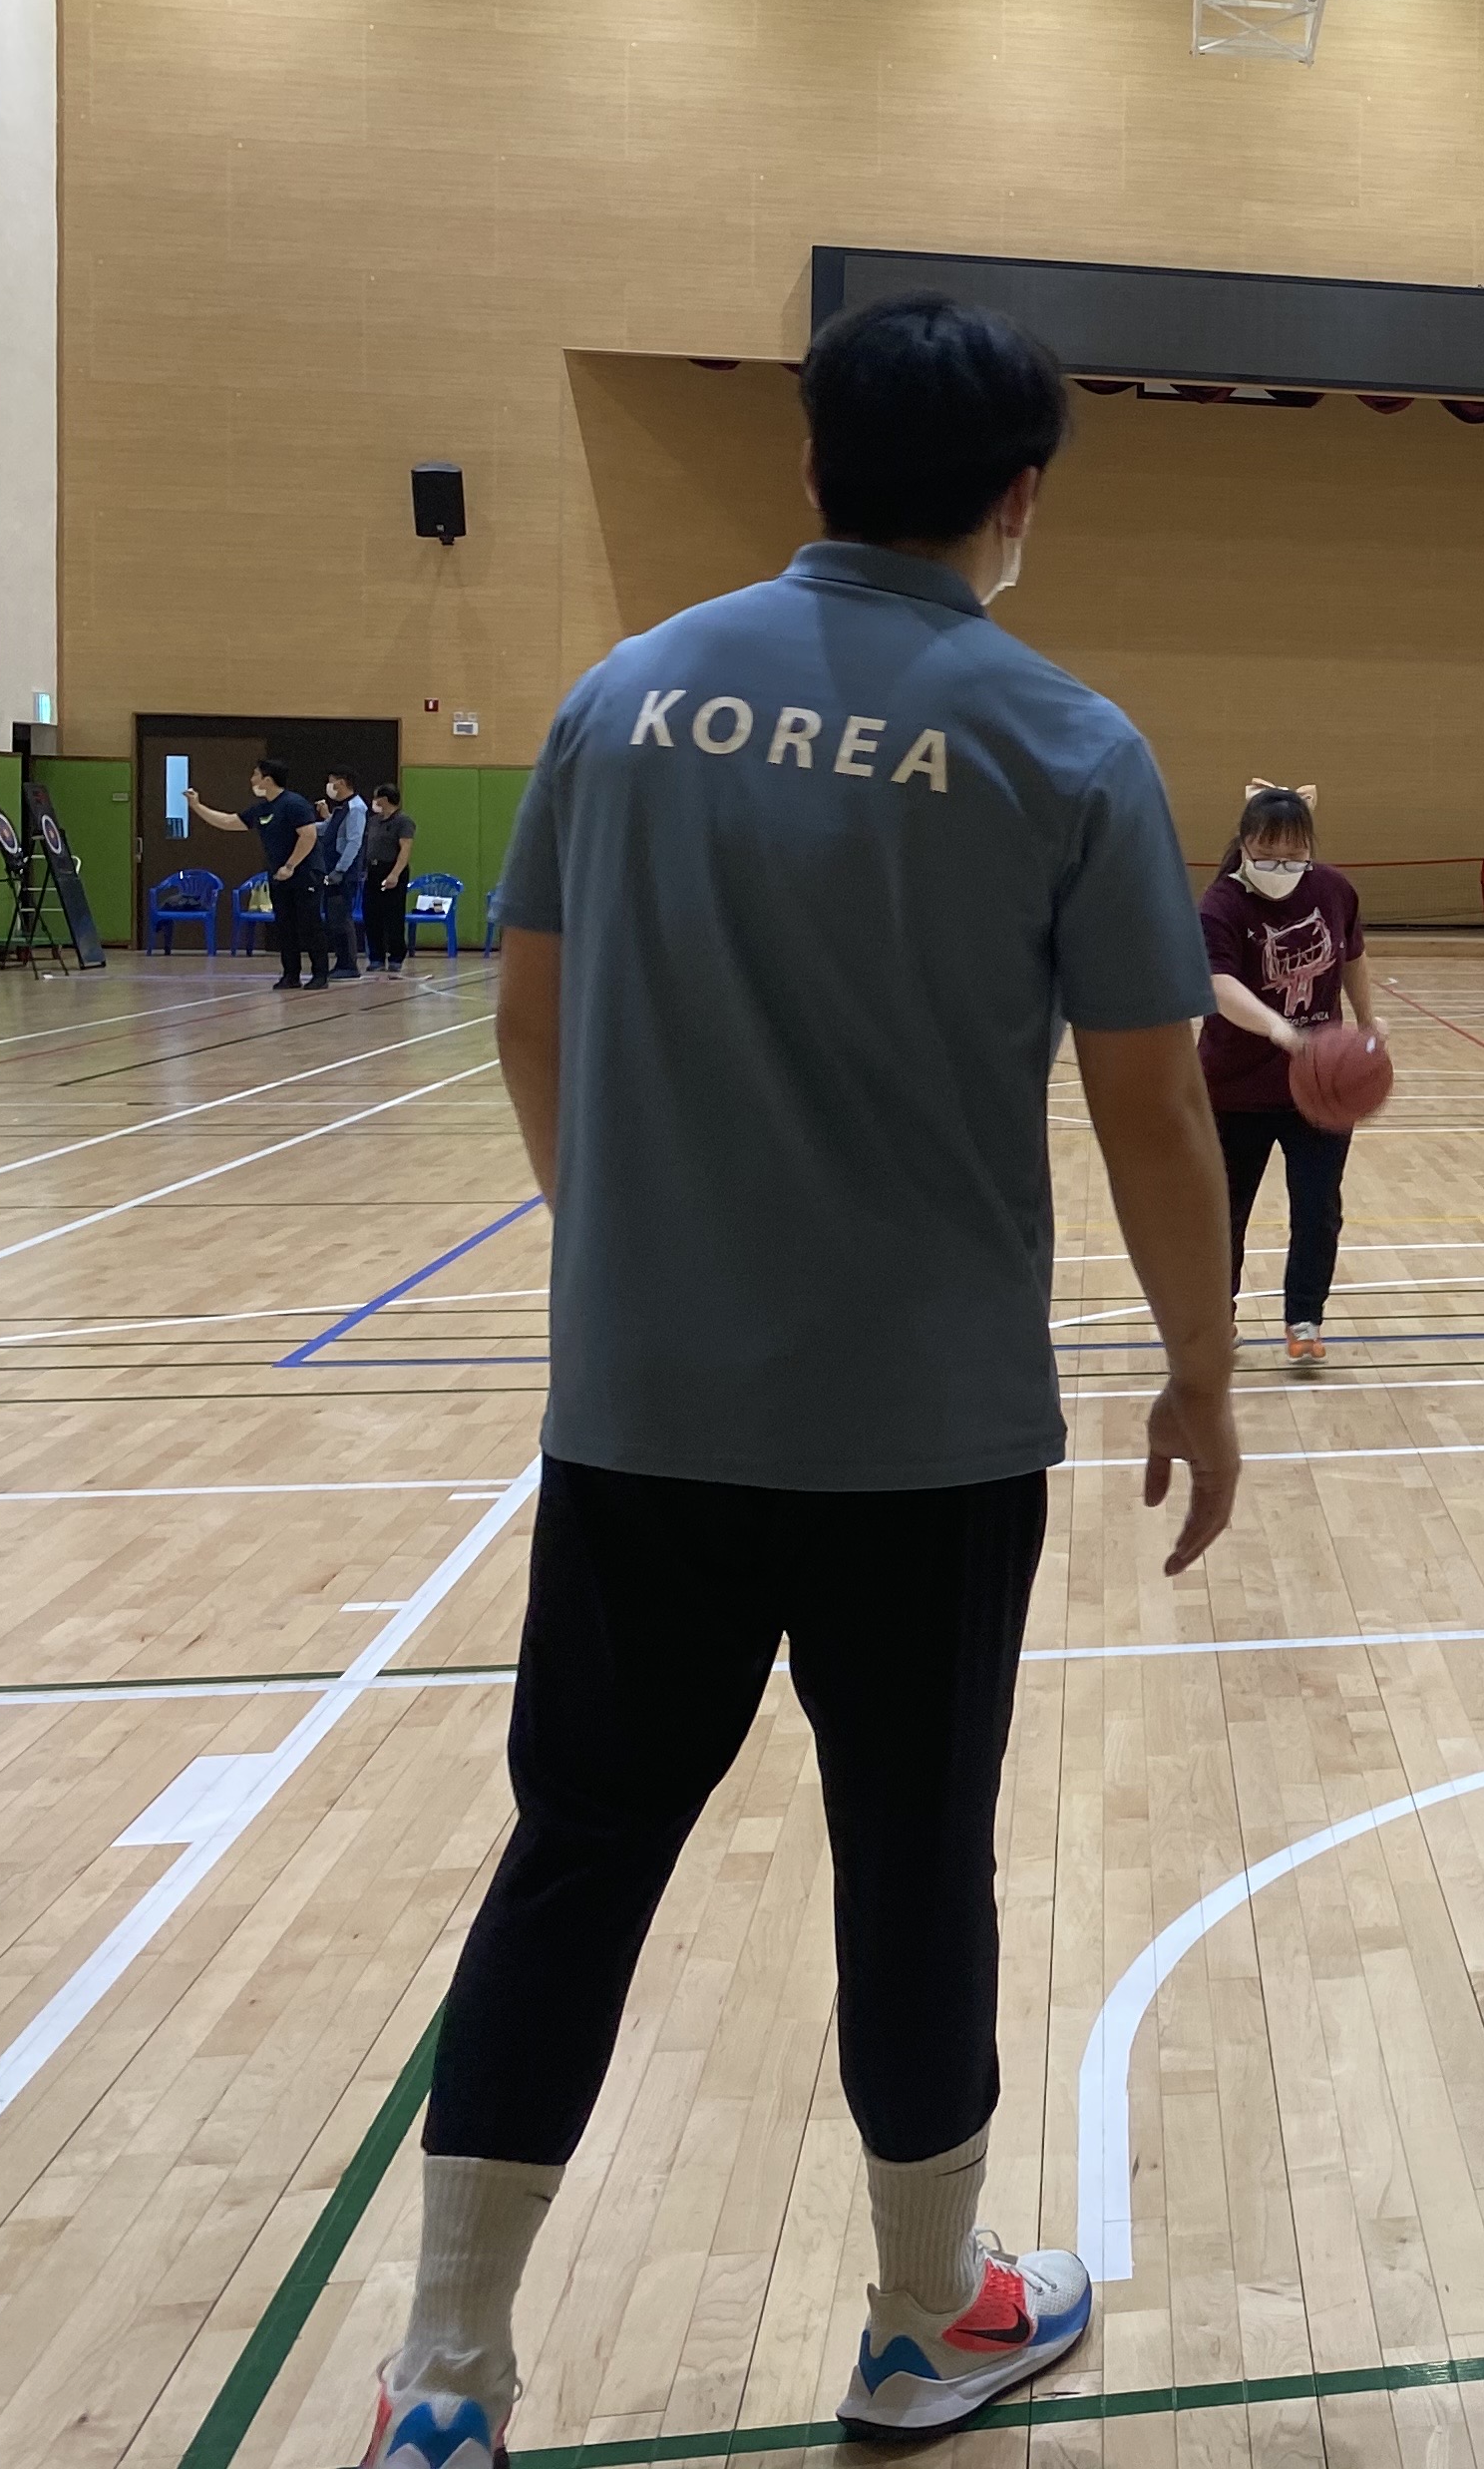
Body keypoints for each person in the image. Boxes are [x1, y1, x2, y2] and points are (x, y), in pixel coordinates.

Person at [365, 295, 1245, 2469]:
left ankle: (448, 2377)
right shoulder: (1068, 746)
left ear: (809, 463)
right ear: (1018, 495)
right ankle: (927, 2318)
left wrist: (631, 1259)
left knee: (577, 1855)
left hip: (643, 1418)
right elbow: (1153, 1108)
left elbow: (529, 1021)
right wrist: (1202, 1371)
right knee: (915, 1867)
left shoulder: (619, 700)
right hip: (925, 1444)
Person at [1197, 780, 1374, 1371]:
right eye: (1269, 855)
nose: (1282, 867)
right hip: (1234, 1089)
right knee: (1224, 1212)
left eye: (1294, 855)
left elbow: (1352, 955)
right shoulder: (1220, 905)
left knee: (1318, 1208)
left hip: (1320, 1090)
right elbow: (1218, 985)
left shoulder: (1334, 890)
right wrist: (1279, 1029)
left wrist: (1367, 1022)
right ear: (1245, 844)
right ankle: (1215, 1317)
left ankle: (1304, 1320)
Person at [203, 759, 324, 991]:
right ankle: (291, 975)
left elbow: (308, 836)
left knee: (309, 924)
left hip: (304, 874)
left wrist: (290, 866)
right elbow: (229, 821)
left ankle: (320, 974)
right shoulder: (261, 809)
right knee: (285, 925)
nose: (252, 779)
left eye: (255, 774)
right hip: (278, 876)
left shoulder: (294, 804)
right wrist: (197, 806)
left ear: (267, 780)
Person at [318, 764, 372, 980]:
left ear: (341, 783)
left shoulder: (356, 808)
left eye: (331, 781)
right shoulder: (341, 807)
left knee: (341, 918)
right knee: (334, 918)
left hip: (343, 873)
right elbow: (326, 829)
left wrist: (340, 869)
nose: (329, 786)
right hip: (331, 869)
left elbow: (354, 842)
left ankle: (349, 965)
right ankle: (341, 962)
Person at [367, 777, 420, 971]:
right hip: (373, 870)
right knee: (372, 915)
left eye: (377, 798)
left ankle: (396, 956)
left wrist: (394, 874)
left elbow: (405, 849)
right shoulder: (373, 821)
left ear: (385, 799)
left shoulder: (403, 821)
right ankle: (376, 957)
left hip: (391, 869)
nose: (374, 801)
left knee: (393, 915)